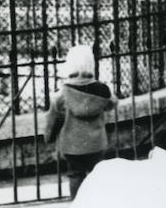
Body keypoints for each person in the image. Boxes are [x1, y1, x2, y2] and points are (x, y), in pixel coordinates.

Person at [44, 44, 116, 197]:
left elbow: (53, 118)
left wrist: (48, 137)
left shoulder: (62, 94)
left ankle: (77, 204)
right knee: (97, 174)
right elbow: (112, 103)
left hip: (71, 145)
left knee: (76, 175)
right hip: (96, 143)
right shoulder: (102, 90)